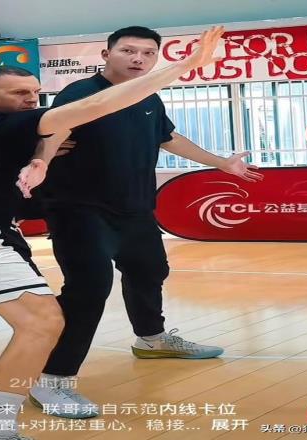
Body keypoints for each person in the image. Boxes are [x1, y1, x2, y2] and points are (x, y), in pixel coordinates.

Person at [0, 26, 225, 440]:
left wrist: (41, 157)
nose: (30, 100)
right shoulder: (4, 127)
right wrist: (186, 66)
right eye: (19, 93)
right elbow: (95, 106)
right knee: (43, 322)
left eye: (35, 92)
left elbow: (42, 140)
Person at [29, 26, 263, 419]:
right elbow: (54, 132)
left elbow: (168, 138)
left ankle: (152, 339)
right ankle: (53, 378)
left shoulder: (149, 97)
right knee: (89, 288)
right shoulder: (80, 93)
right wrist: (41, 160)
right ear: (106, 55)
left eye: (148, 53)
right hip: (79, 209)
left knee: (150, 269)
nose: (138, 59)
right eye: (128, 50)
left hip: (134, 208)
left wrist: (221, 162)